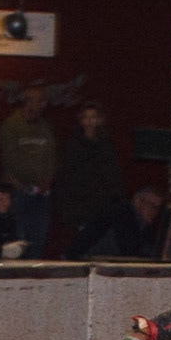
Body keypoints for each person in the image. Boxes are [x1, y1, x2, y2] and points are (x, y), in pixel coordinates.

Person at [0, 83, 57, 257]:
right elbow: (9, 159)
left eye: (42, 101)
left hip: (43, 193)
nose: (41, 105)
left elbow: (52, 156)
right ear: (26, 101)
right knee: (19, 240)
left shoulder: (46, 127)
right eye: (37, 100)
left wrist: (47, 180)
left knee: (38, 239)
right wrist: (20, 184)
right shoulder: (11, 125)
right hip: (20, 192)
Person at [54, 100, 124, 241]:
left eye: (93, 117)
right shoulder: (73, 144)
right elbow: (67, 175)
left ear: (100, 119)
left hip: (103, 202)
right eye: (86, 117)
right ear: (80, 120)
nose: (90, 121)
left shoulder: (106, 144)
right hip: (81, 202)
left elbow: (113, 173)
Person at [68, 186, 165, 260]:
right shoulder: (122, 214)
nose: (155, 211)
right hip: (80, 265)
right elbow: (130, 251)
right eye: (152, 205)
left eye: (158, 208)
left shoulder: (143, 224)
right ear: (137, 201)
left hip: (96, 265)